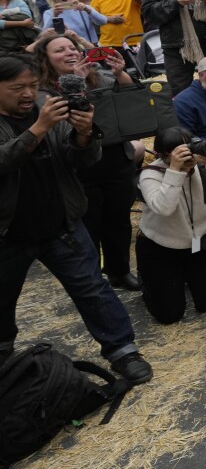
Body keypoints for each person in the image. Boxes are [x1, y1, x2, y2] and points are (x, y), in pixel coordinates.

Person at [0, 52, 152, 382]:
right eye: (17, 88)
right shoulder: (41, 117)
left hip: (60, 224)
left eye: (33, 85)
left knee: (92, 289)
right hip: (8, 233)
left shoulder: (47, 105)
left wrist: (84, 135)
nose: (28, 94)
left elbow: (78, 160)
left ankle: (123, 350)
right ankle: (4, 358)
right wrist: (39, 129)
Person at [34, 33, 144, 290]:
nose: (70, 52)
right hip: (80, 168)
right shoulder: (42, 91)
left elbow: (132, 99)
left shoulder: (99, 76)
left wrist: (119, 73)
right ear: (46, 59)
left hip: (116, 159)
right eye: (59, 50)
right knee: (89, 227)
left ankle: (119, 271)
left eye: (72, 47)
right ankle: (93, 279)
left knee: (118, 222)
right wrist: (75, 83)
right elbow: (57, 123)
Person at [135, 127, 206, 324]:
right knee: (169, 316)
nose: (188, 156)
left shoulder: (203, 167)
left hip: (199, 244)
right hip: (160, 248)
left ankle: (182, 281)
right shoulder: (151, 174)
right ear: (163, 154)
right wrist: (175, 171)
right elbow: (164, 208)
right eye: (178, 152)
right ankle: (151, 282)